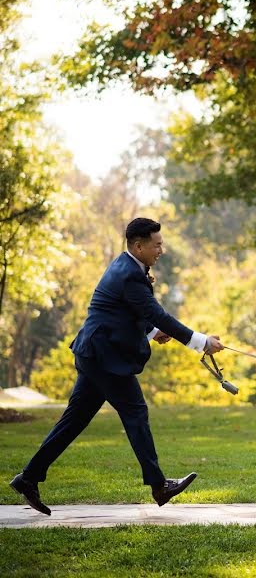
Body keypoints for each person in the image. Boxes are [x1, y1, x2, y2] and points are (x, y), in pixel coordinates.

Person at [9, 218, 225, 515]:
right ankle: (159, 485)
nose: (161, 249)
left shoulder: (130, 268)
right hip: (103, 357)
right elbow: (156, 313)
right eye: (157, 244)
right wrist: (201, 342)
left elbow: (132, 312)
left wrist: (151, 332)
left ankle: (28, 477)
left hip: (95, 353)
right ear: (139, 246)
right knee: (135, 411)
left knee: (75, 419)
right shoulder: (129, 275)